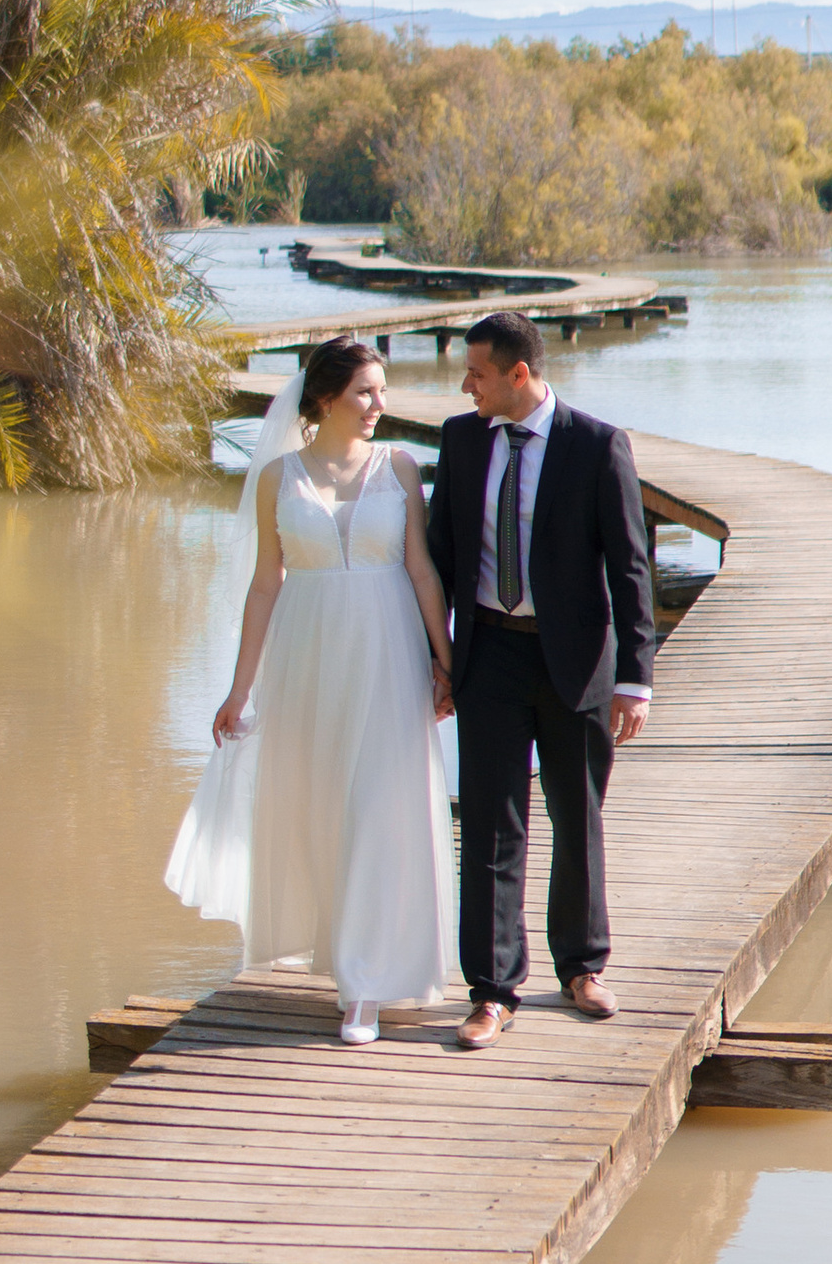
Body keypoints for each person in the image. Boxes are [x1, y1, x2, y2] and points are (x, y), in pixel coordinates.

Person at [165, 332, 457, 1044]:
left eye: (381, 391)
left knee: (380, 809)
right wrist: (239, 691)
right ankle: (342, 959)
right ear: (324, 398)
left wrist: (447, 665)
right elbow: (265, 585)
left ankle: (365, 986)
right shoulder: (277, 477)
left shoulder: (399, 466)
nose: (379, 405)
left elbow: (421, 570)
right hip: (308, 660)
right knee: (326, 810)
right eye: (365, 392)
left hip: (388, 653)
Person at [422, 307, 653, 1049]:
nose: (466, 387)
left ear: (518, 374)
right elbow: (439, 558)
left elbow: (630, 568)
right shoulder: (461, 441)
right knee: (490, 825)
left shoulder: (597, 445)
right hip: (488, 656)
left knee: (577, 816)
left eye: (477, 374)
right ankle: (492, 991)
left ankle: (582, 968)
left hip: (576, 664)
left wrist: (635, 679)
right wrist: (434, 660)